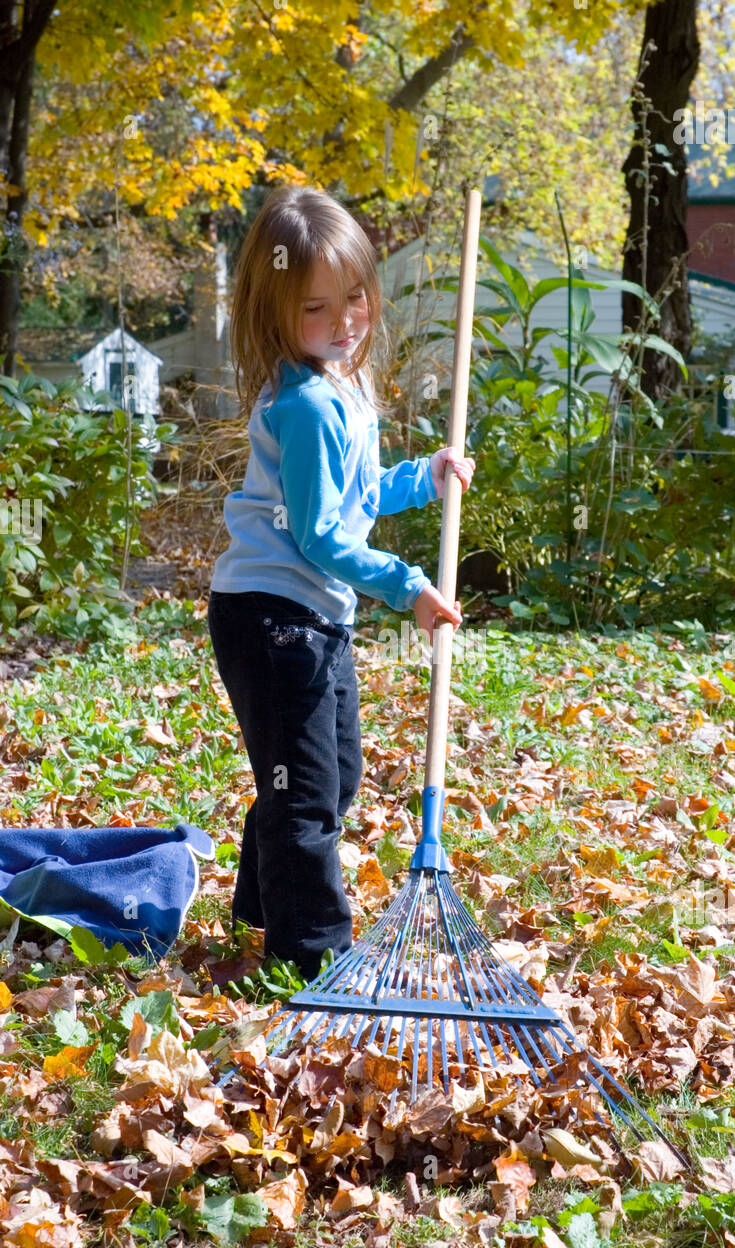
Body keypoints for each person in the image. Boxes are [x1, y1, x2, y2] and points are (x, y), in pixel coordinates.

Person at [207, 186, 475, 983]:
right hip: (270, 619)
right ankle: (311, 950)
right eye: (317, 307)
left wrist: (422, 478)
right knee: (305, 793)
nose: (345, 320)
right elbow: (324, 536)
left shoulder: (343, 390)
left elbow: (352, 495)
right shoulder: (307, 408)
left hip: (309, 617)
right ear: (277, 315)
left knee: (332, 774)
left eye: (354, 296)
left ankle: (263, 902)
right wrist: (407, 586)